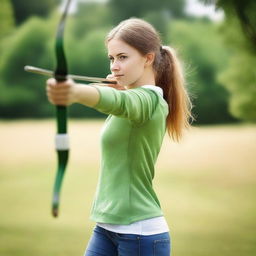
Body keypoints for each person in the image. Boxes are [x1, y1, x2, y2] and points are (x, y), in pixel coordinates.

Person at [46, 18, 193, 256]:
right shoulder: (133, 100)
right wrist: (115, 90)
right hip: (106, 228)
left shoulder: (151, 101)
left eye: (123, 57)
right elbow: (121, 102)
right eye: (112, 58)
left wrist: (74, 91)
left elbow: (121, 102)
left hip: (140, 234)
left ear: (148, 58)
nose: (114, 65)